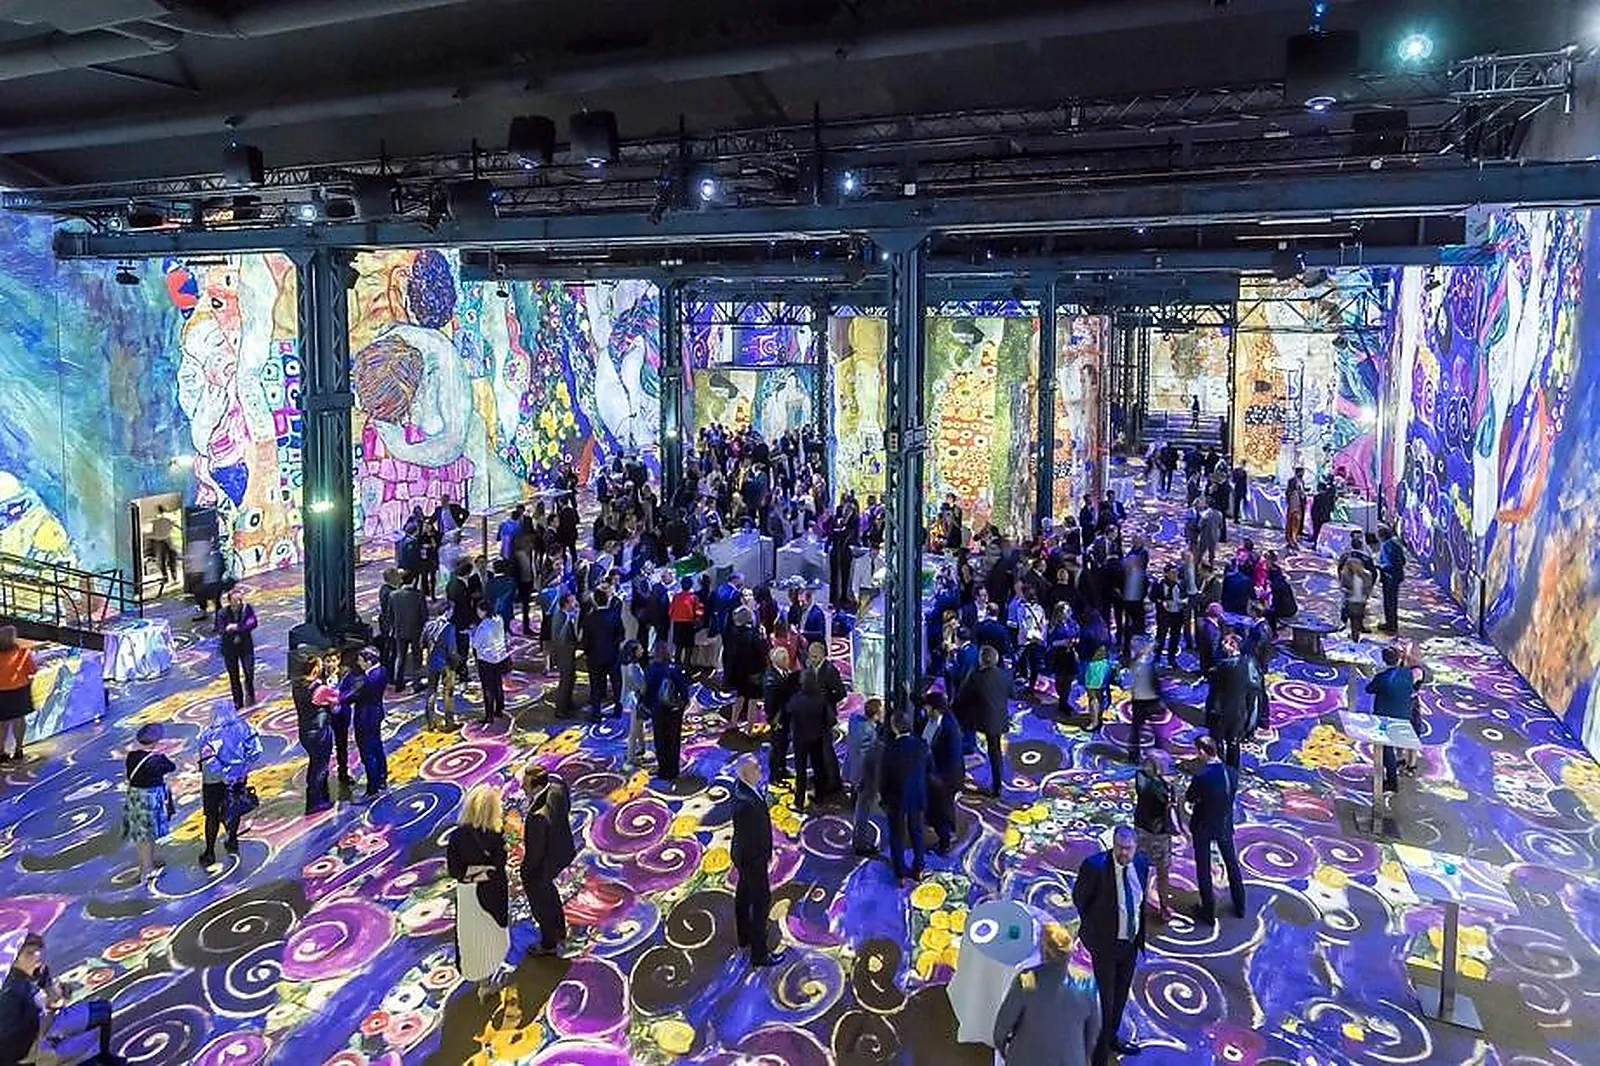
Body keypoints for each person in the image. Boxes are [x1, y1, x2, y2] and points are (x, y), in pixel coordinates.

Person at [1072, 825, 1151, 1066]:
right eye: (1119, 848)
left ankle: (1112, 1039)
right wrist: (1096, 930)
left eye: (1128, 849)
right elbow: (1080, 899)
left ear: (1135, 847)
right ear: (1112, 845)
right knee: (1105, 1004)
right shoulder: (1094, 867)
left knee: (1120, 996)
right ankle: (1098, 1058)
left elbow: (1139, 902)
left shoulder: (1141, 863)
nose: (1124, 854)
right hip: (1104, 946)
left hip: (1130, 943)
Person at [992, 922, 1101, 1066]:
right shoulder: (1088, 984)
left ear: (1043, 950)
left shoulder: (1027, 980)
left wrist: (1001, 1046)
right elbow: (1093, 1029)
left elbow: (1004, 1024)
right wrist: (1082, 1056)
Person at [0, 933, 115, 1066]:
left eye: (38, 950)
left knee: (103, 1009)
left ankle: (104, 1057)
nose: (37, 955)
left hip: (46, 1025)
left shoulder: (37, 972)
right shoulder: (11, 993)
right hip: (33, 1050)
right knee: (91, 1042)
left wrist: (54, 993)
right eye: (29, 953)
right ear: (15, 960)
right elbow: (9, 1040)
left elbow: (54, 1000)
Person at [445, 784, 510, 999]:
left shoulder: (456, 836)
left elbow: (455, 871)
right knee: (493, 931)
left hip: (468, 896)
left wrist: (472, 873)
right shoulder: (495, 835)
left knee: (472, 938)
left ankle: (482, 979)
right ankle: (490, 971)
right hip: (493, 893)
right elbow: (499, 866)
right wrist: (488, 871)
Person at [730, 756, 786, 967]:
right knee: (761, 902)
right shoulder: (745, 805)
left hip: (744, 854)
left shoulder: (744, 788)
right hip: (752, 858)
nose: (760, 769)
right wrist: (762, 858)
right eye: (755, 767)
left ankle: (744, 936)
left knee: (744, 894)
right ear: (745, 773)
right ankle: (759, 954)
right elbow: (750, 837)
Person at [195, 700, 263, 867]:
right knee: (234, 807)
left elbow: (208, 759)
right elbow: (255, 751)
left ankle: (209, 852)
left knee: (211, 815)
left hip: (213, 780)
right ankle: (232, 839)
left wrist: (224, 774)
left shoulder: (207, 735)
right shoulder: (245, 728)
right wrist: (242, 770)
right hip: (239, 776)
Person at [1187, 735, 1245, 923]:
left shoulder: (1202, 776)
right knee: (1231, 864)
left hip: (1203, 824)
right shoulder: (1232, 773)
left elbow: (1190, 797)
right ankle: (1240, 905)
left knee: (1203, 868)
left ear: (1203, 752)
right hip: (1224, 823)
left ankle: (1208, 912)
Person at [520, 764, 576, 956]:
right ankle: (559, 928)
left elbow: (535, 852)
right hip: (564, 849)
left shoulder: (538, 817)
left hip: (545, 862)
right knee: (549, 891)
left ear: (536, 787)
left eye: (525, 784)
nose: (521, 786)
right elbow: (566, 807)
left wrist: (526, 872)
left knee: (541, 902)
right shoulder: (557, 788)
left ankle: (548, 943)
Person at [879, 710, 933, 885]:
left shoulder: (889, 749)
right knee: (917, 832)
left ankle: (900, 873)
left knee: (897, 835)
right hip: (917, 795)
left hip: (896, 797)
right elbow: (929, 770)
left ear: (894, 727)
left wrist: (884, 797)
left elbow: (884, 777)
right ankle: (919, 867)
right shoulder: (921, 745)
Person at [954, 644, 1011, 797]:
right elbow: (1012, 692)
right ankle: (997, 786)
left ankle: (957, 774)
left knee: (960, 738)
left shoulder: (976, 676)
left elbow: (962, 697)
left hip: (978, 719)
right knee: (995, 750)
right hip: (999, 719)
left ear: (982, 660)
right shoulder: (1004, 674)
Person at [122, 723, 176, 882]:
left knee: (144, 834)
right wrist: (161, 755)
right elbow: (171, 767)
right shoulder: (156, 760)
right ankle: (147, 869)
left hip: (135, 797)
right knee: (147, 835)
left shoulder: (132, 756)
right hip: (151, 799)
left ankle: (149, 862)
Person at [1366, 644, 1417, 798]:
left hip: (1385, 719)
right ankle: (1396, 771)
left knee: (1386, 751)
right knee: (1393, 748)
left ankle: (1392, 782)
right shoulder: (1408, 674)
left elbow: (1369, 689)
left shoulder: (1382, 678)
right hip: (1404, 717)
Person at [340, 650, 390, 800]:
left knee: (367, 752)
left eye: (361, 660)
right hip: (377, 712)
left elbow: (352, 696)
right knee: (377, 747)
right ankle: (381, 779)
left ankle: (372, 788)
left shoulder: (368, 680)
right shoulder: (382, 670)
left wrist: (337, 697)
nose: (358, 663)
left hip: (365, 717)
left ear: (369, 661)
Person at [1133, 755, 1177, 922]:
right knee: (1162, 871)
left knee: (1140, 868)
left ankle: (1137, 904)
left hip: (1140, 828)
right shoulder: (1163, 787)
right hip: (1158, 833)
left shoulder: (1140, 778)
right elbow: (1169, 804)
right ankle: (1164, 907)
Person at [294, 656, 336, 815]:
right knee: (320, 767)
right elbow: (337, 701)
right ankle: (315, 802)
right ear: (316, 669)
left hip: (305, 731)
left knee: (315, 764)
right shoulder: (320, 689)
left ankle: (321, 796)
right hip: (319, 732)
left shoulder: (297, 686)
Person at [643, 641, 690, 781]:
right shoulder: (674, 668)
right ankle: (673, 769)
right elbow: (683, 690)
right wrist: (683, 704)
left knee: (660, 739)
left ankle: (663, 769)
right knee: (673, 739)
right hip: (674, 710)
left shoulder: (650, 669)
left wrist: (648, 706)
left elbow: (647, 691)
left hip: (657, 710)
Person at [787, 668, 832, 813]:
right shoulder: (821, 698)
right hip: (817, 737)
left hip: (800, 739)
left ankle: (799, 802)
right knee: (818, 766)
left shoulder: (796, 699)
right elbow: (829, 719)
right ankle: (820, 796)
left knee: (800, 771)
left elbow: (788, 712)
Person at [924, 691, 963, 854]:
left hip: (943, 777)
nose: (925, 710)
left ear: (935, 709)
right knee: (938, 809)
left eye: (927, 708)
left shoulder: (949, 728)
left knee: (941, 810)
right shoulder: (936, 718)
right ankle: (944, 833)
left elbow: (953, 758)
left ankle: (945, 840)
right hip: (933, 773)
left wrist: (939, 779)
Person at [846, 696, 885, 856]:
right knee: (863, 809)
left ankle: (852, 800)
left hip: (851, 769)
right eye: (881, 712)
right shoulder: (870, 734)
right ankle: (860, 844)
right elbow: (868, 758)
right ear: (875, 715)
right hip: (864, 776)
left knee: (857, 798)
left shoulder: (854, 721)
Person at [421, 610, 462, 731]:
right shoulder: (449, 627)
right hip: (446, 663)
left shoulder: (428, 625)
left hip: (431, 662)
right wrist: (456, 663)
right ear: (447, 612)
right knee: (448, 692)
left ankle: (430, 722)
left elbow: (422, 643)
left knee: (431, 691)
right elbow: (451, 649)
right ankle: (449, 723)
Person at [217, 588, 258, 709]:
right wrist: (229, 631)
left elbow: (253, 623)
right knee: (233, 676)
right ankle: (238, 700)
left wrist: (237, 627)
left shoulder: (247, 609)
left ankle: (250, 693)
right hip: (229, 648)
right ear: (230, 602)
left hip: (245, 646)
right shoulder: (222, 613)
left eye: (240, 600)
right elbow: (221, 629)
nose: (239, 603)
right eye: (236, 600)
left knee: (249, 671)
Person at [470, 602, 511, 724]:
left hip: (486, 660)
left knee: (488, 687)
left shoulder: (483, 627)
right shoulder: (499, 619)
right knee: (498, 683)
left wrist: (472, 633)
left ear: (484, 611)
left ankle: (489, 715)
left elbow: (476, 644)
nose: (477, 613)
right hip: (500, 657)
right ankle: (499, 708)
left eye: (479, 610)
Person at [0, 627, 37, 762]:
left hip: (1, 691)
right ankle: (18, 749)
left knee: (2, 723)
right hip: (20, 689)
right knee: (19, 720)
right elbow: (32, 669)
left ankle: (1, 752)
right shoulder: (22, 651)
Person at [763, 647, 797, 783]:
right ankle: (775, 774)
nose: (789, 660)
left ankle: (782, 768)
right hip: (778, 718)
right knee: (777, 746)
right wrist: (773, 719)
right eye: (786, 658)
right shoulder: (771, 680)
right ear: (780, 661)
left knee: (783, 744)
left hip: (786, 715)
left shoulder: (784, 672)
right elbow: (770, 704)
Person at [1126, 646, 1164, 764]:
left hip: (1139, 699)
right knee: (1155, 727)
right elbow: (1157, 683)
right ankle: (1159, 751)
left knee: (1136, 729)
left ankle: (1134, 755)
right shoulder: (1153, 664)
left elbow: (1128, 680)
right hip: (1151, 699)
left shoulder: (1135, 665)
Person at [389, 574, 426, 691]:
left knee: (400, 656)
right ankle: (416, 683)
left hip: (399, 630)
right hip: (416, 631)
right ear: (414, 580)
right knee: (417, 657)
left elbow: (389, 614)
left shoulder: (393, 595)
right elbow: (424, 615)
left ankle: (398, 683)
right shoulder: (418, 595)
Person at [548, 592, 581, 719]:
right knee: (565, 681)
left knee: (571, 678)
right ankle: (561, 710)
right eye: (573, 601)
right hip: (564, 654)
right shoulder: (560, 617)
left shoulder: (565, 615)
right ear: (566, 604)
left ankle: (568, 703)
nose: (575, 603)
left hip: (568, 653)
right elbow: (560, 639)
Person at [619, 640, 649, 770]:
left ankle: (642, 747)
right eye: (640, 649)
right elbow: (642, 687)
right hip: (635, 700)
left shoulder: (625, 665)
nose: (642, 650)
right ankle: (630, 758)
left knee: (639, 725)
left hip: (628, 698)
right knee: (634, 729)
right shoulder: (634, 667)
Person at [1376, 526, 1406, 633]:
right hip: (1397, 577)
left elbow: (1389, 564)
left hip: (1389, 578)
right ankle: (1392, 623)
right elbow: (1403, 560)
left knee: (1389, 602)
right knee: (1393, 601)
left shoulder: (1385, 546)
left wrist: (1378, 565)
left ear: (1381, 536)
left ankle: (1390, 624)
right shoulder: (1396, 545)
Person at [667, 576, 702, 668]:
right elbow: (699, 611)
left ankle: (677, 666)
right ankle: (687, 666)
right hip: (689, 625)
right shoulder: (694, 597)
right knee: (688, 647)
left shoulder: (676, 597)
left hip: (678, 624)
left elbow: (670, 611)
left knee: (678, 646)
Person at [1339, 550, 1371, 642]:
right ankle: (1354, 635)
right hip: (1351, 601)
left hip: (1361, 601)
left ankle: (1355, 635)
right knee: (1354, 619)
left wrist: (1366, 596)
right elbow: (1342, 587)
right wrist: (1349, 592)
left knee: (1357, 618)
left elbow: (1369, 587)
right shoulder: (1345, 575)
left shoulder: (1367, 575)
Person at [1284, 467, 1307, 546]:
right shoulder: (1292, 480)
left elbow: (1302, 491)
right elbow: (1288, 492)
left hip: (1300, 503)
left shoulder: (1302, 481)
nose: (1303, 474)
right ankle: (1290, 537)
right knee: (1292, 518)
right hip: (1294, 502)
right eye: (1302, 472)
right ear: (1298, 472)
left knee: (1297, 520)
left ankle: (1295, 536)